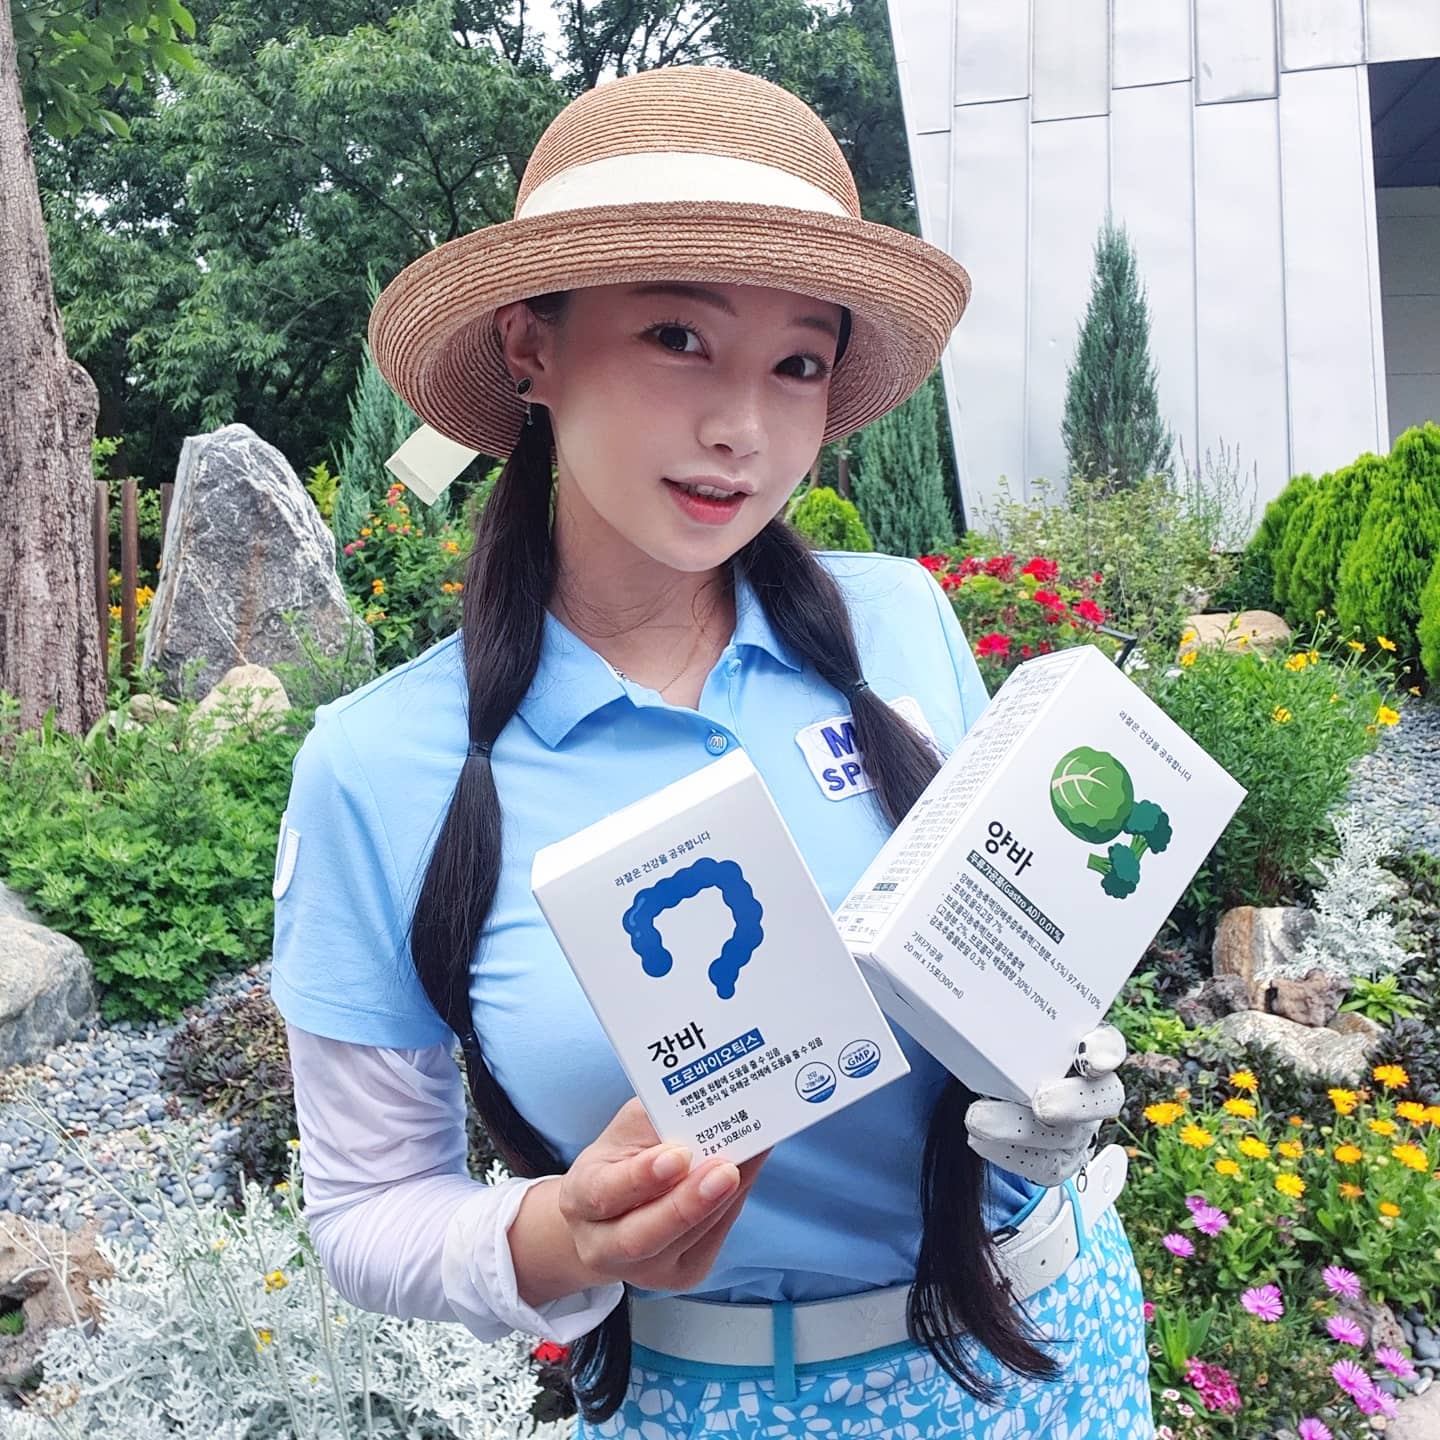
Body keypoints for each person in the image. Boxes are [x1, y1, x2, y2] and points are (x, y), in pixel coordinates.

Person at [269, 64, 1155, 1438]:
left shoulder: (898, 623)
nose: (744, 426)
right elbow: (364, 1210)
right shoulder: (379, 767)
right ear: (529, 345)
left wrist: (1050, 1069)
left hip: (1049, 1351)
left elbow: (1006, 951)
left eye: (799, 362)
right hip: (705, 1402)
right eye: (679, 336)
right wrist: (565, 1234)